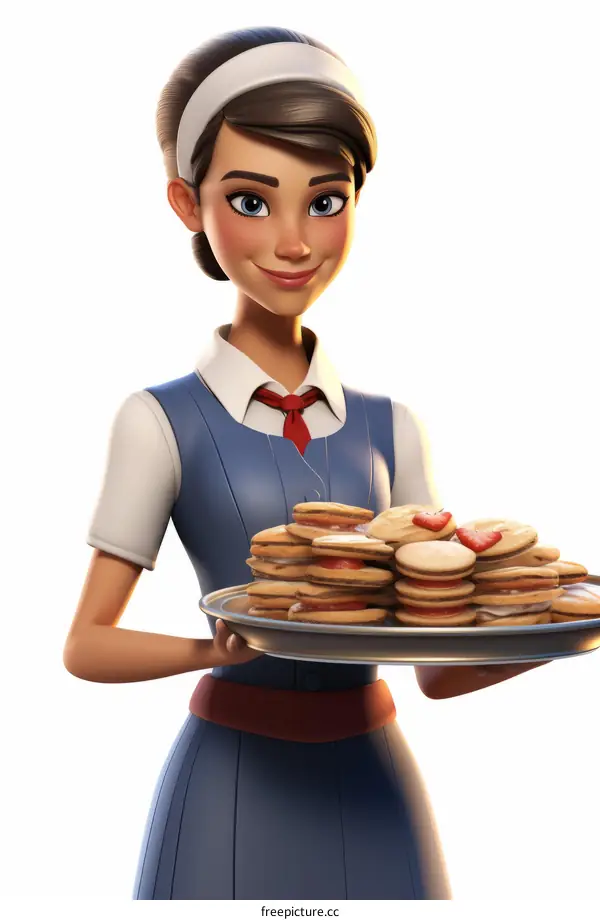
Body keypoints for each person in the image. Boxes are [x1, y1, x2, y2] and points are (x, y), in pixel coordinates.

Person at [63, 26, 545, 900]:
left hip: (375, 784)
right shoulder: (160, 422)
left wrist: (546, 632)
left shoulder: (392, 429)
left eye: (325, 200)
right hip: (230, 787)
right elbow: (86, 644)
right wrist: (207, 651)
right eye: (252, 201)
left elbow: (436, 671)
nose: (292, 242)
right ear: (187, 204)